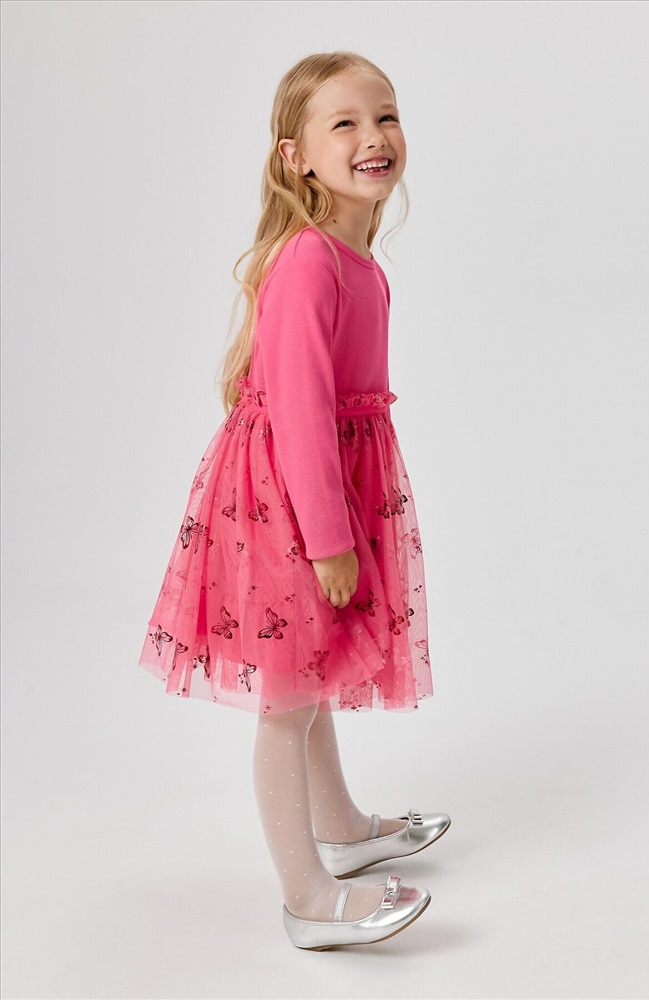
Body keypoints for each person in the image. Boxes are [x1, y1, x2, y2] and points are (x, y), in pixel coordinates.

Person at [138, 50, 450, 950]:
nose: (373, 136)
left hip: (327, 490)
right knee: (288, 697)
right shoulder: (310, 261)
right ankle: (307, 898)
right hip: (292, 501)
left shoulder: (358, 259)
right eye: (344, 123)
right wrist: (328, 536)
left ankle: (341, 829)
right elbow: (306, 416)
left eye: (385, 116)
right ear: (295, 156)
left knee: (311, 678)